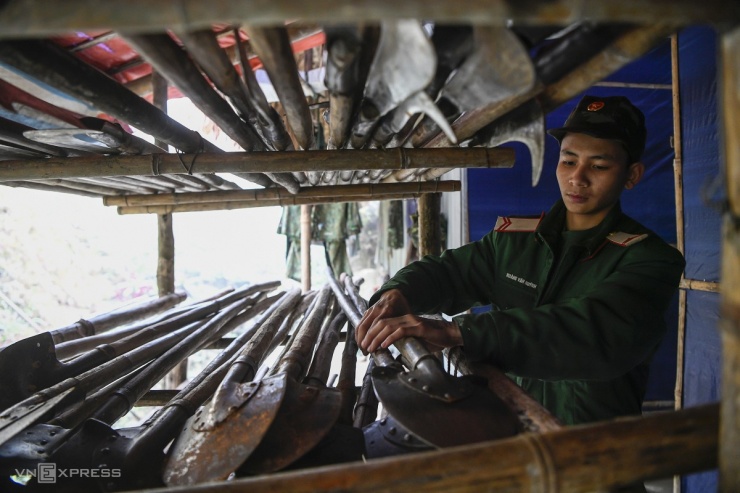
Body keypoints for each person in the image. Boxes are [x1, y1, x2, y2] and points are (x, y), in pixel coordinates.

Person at [356, 95, 686, 426]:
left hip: (594, 455)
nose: (578, 178)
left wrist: (461, 333)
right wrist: (398, 293)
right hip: (514, 438)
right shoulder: (516, 240)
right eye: (569, 161)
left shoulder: (650, 260)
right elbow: (450, 272)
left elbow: (595, 333)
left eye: (599, 166)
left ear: (632, 175)